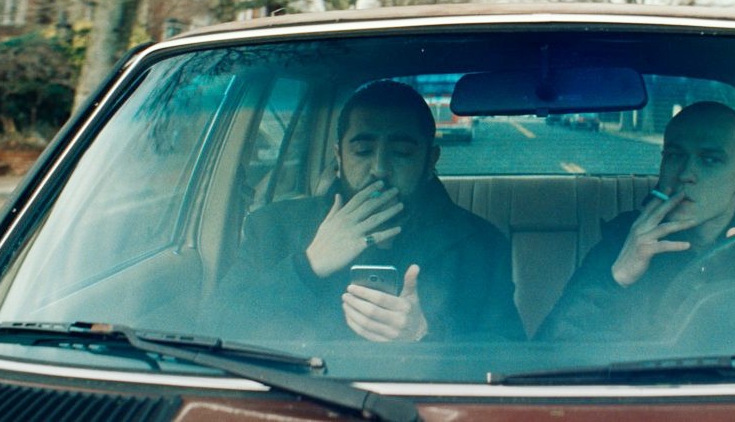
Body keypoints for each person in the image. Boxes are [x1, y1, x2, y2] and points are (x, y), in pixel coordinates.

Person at [220, 80, 524, 342]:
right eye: (362, 151)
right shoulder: (273, 226)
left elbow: (508, 351)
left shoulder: (482, 245)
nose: (379, 169)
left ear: (430, 161)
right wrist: (308, 265)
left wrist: (422, 334)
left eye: (401, 153)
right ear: (339, 156)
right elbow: (215, 327)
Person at [535, 101, 735, 341]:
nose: (685, 174)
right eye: (674, 155)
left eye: (710, 159)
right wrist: (617, 276)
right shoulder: (625, 238)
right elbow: (549, 350)